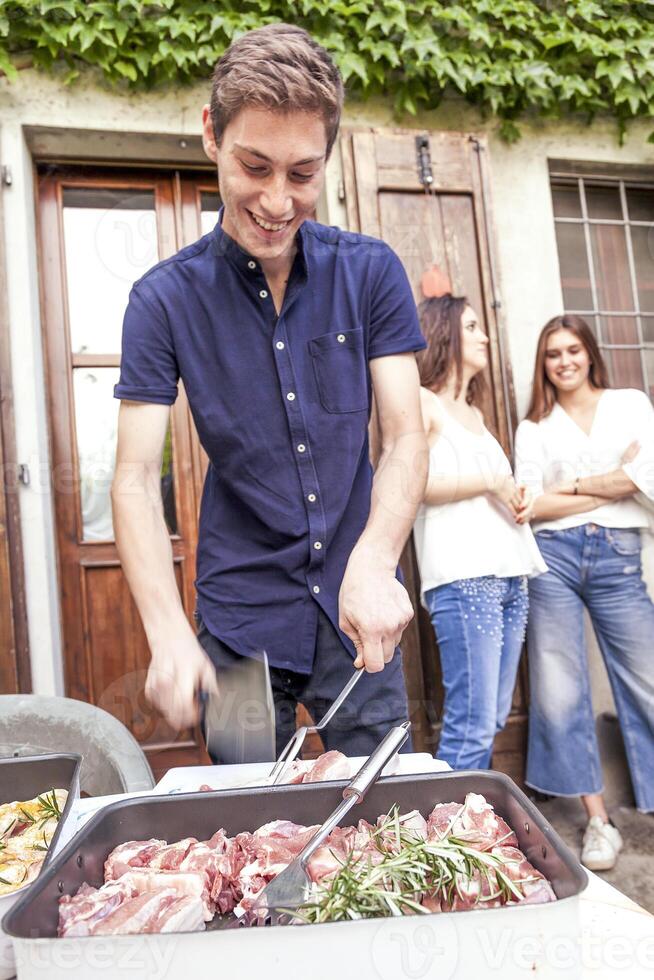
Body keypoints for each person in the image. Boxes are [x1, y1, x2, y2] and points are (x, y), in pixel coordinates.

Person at [110, 24, 428, 760]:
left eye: (302, 173)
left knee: (384, 823)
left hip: (358, 603)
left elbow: (407, 436)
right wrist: (165, 634)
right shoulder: (162, 301)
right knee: (249, 827)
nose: (278, 201)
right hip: (238, 621)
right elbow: (130, 481)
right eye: (255, 165)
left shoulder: (371, 273)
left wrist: (376, 560)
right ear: (211, 136)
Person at [515, 313, 654, 871]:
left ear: (590, 353)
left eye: (573, 350)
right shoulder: (535, 427)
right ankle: (598, 822)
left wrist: (568, 486)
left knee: (647, 681)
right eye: (553, 354)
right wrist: (611, 484)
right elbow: (529, 505)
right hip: (554, 558)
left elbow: (646, 479)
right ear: (543, 364)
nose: (565, 361)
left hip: (619, 558)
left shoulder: (630, 405)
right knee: (558, 692)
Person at [414, 294, 546, 770]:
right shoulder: (422, 403)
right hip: (466, 580)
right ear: (444, 334)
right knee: (470, 724)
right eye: (471, 327)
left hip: (511, 574)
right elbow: (412, 484)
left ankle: (465, 831)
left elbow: (497, 488)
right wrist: (490, 481)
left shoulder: (474, 411)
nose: (484, 335)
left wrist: (518, 495)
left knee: (489, 719)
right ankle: (449, 836)